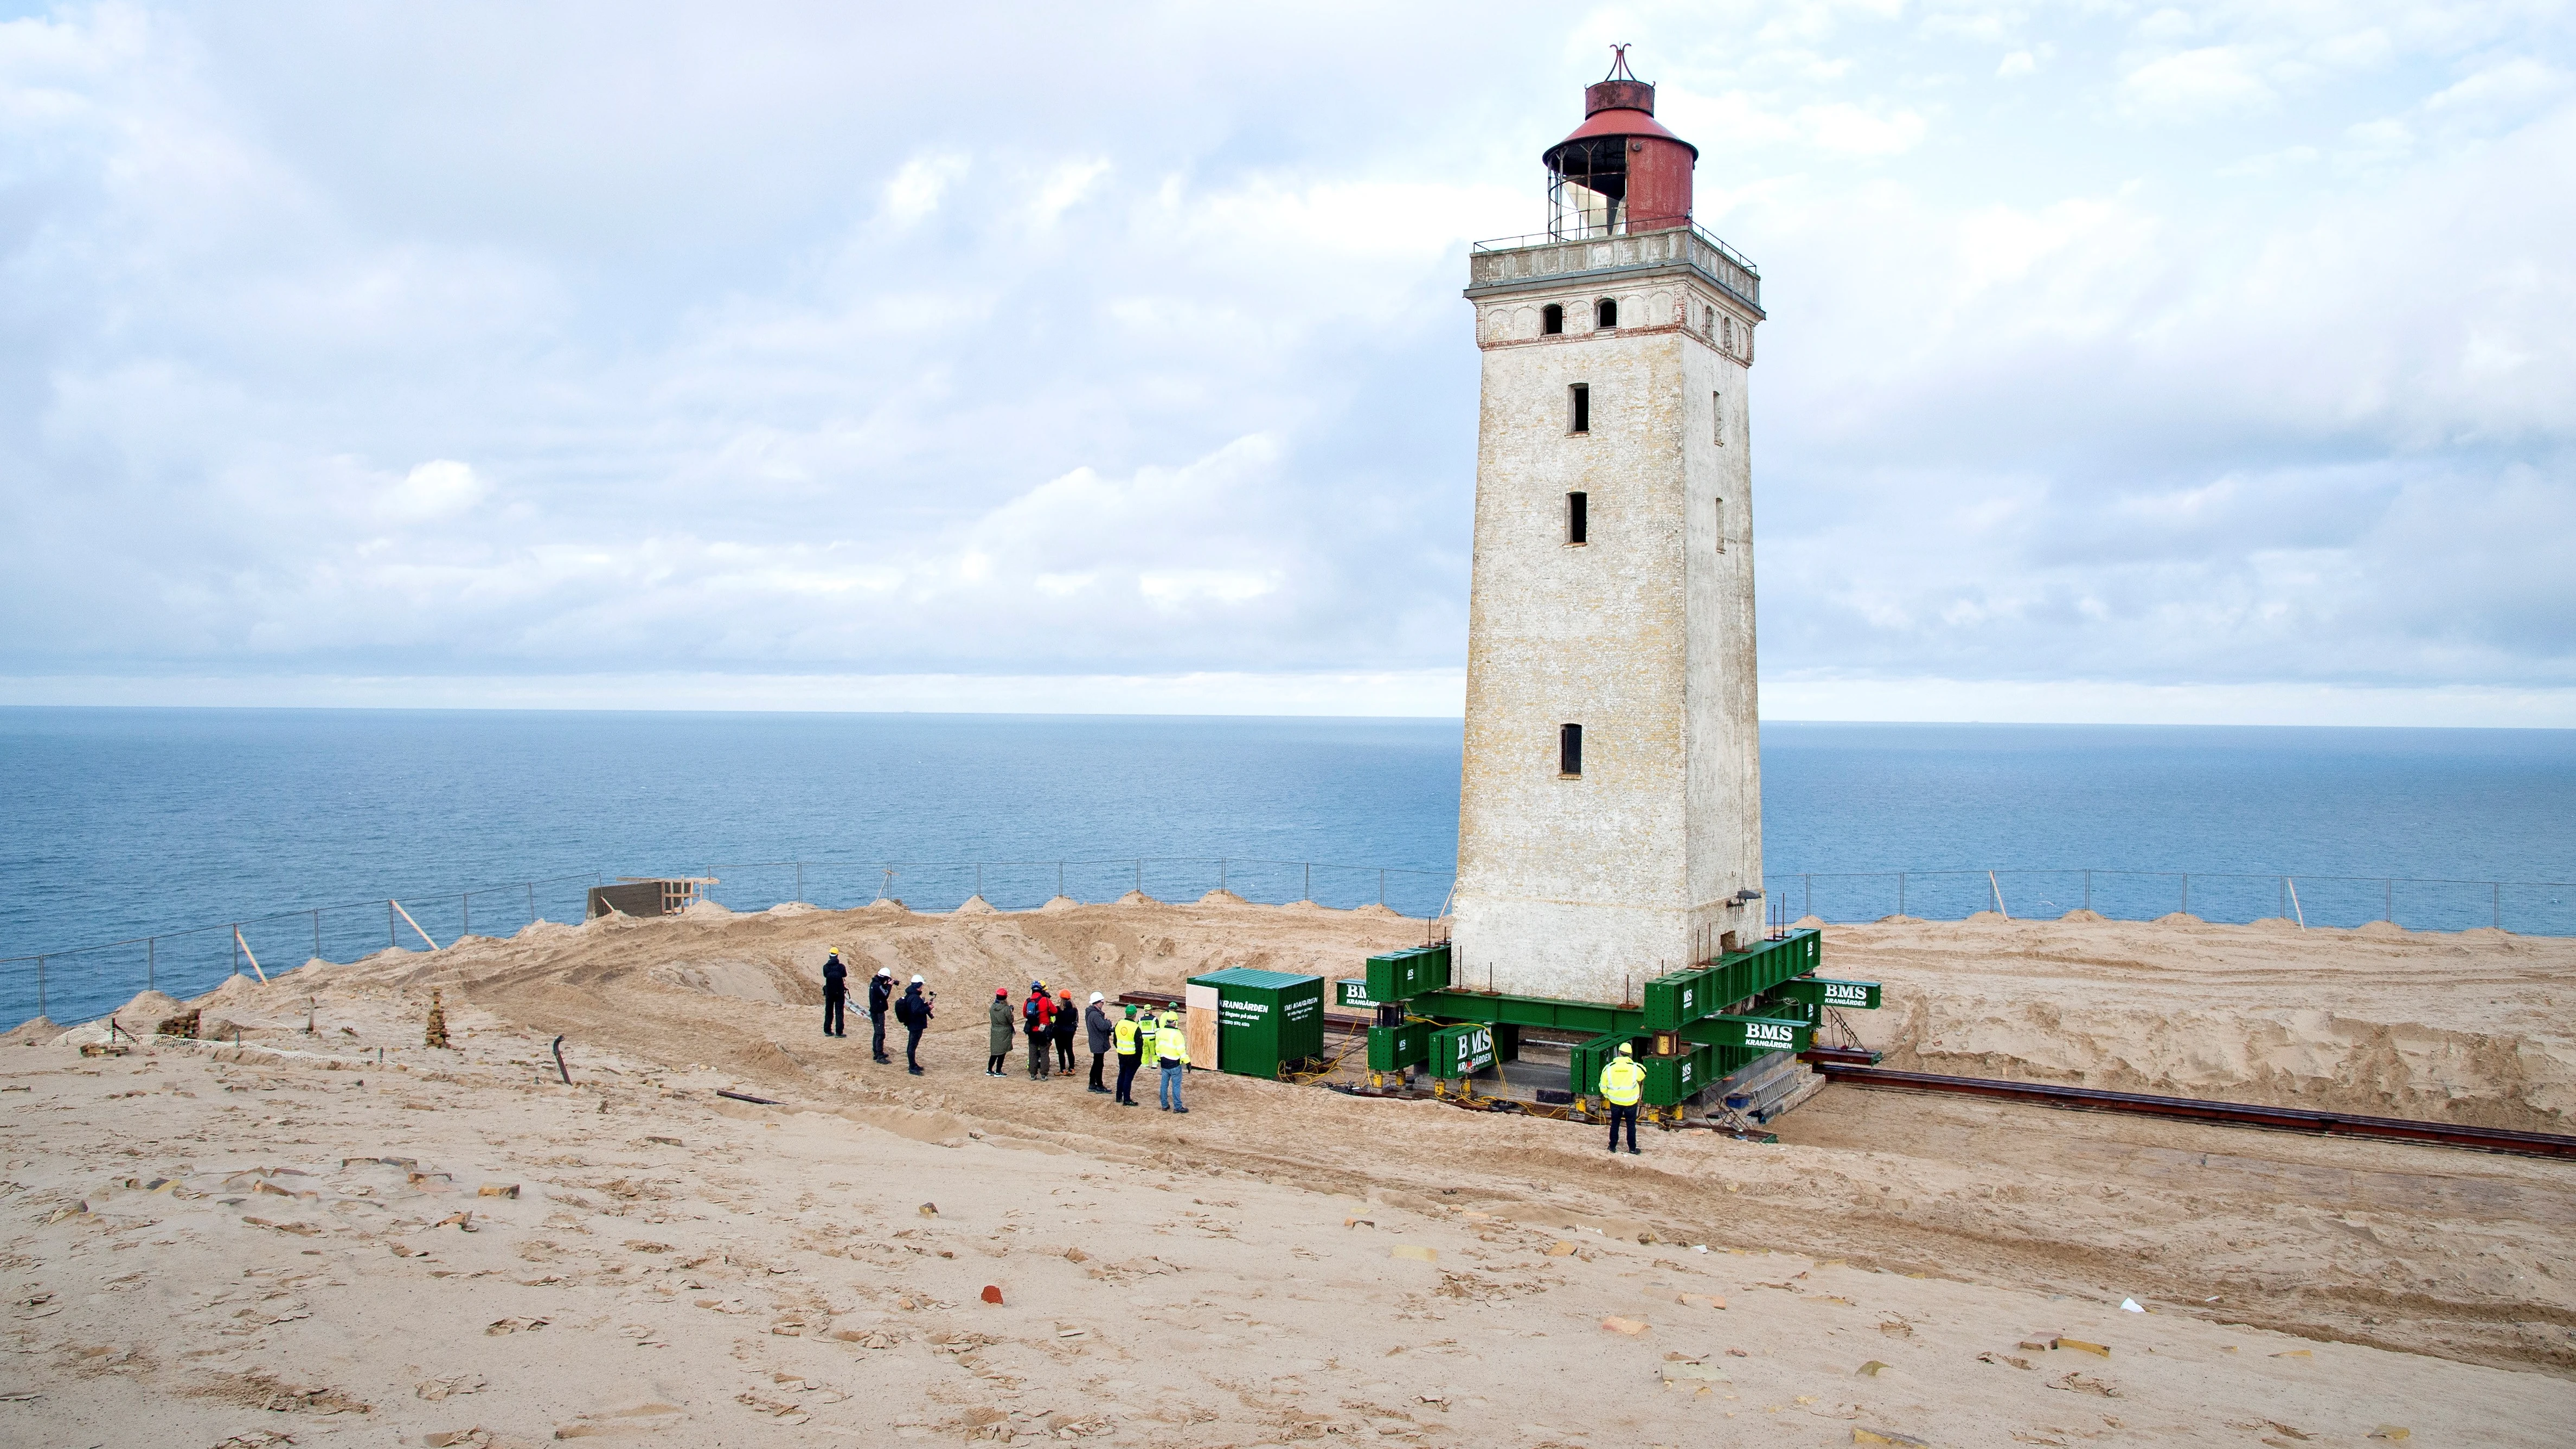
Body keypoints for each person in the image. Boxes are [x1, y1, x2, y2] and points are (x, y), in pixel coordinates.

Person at [1599, 1041, 1645, 1154]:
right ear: (1630, 1054)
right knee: (1631, 1125)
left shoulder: (1609, 1068)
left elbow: (1603, 1087)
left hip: (1615, 1101)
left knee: (1615, 1124)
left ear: (1619, 1053)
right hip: (1630, 1102)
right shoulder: (1635, 1068)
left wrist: (1608, 1096)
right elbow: (1643, 1073)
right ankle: (1633, 1149)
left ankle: (1612, 1147)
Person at [895, 974, 933, 1074]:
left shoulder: (910, 995)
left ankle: (913, 1064)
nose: (922, 988)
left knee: (912, 1046)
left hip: (913, 1024)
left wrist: (925, 1005)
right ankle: (912, 1067)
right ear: (919, 985)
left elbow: (915, 1009)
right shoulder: (915, 997)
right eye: (921, 986)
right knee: (912, 1046)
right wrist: (928, 1008)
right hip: (916, 1025)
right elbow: (916, 1011)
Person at [1155, 1010, 1190, 1112]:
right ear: (1175, 1022)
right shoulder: (1177, 1034)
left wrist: (1159, 1058)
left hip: (1164, 1063)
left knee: (1164, 1084)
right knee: (1176, 1086)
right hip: (1174, 1064)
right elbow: (1181, 1051)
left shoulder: (1160, 1032)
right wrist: (1187, 1062)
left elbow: (1158, 1048)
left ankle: (1164, 1105)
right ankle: (1178, 1107)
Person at [1112, 1004, 1143, 1106]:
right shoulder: (1135, 1027)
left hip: (1121, 1054)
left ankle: (1118, 1096)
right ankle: (1127, 1099)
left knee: (1122, 1075)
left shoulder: (1119, 1024)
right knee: (1128, 1078)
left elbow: (1115, 1041)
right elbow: (1139, 1046)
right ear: (1134, 1015)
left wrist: (1121, 1049)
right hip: (1132, 1056)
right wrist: (1139, 1059)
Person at [1023, 981, 1053, 1080]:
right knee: (1044, 1052)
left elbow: (1025, 1014)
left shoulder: (1028, 1001)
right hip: (1043, 1030)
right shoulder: (1046, 1000)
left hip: (1032, 1030)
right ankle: (1044, 1075)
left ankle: (1033, 1074)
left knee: (1033, 1052)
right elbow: (1054, 1011)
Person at [1084, 992, 1113, 1094]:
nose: (1103, 1004)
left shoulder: (1092, 1013)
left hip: (1096, 1041)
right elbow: (1102, 1026)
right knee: (1098, 1064)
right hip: (1098, 1042)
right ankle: (1099, 1085)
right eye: (1102, 1002)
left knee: (1097, 1063)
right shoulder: (1095, 1014)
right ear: (1097, 1003)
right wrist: (1108, 1023)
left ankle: (1093, 1084)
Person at [867, 967, 894, 1063]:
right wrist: (889, 986)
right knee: (880, 1034)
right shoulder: (877, 985)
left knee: (877, 1032)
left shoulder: (875, 984)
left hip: (876, 1011)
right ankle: (879, 1056)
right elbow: (885, 994)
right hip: (878, 1012)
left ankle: (877, 1052)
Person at [986, 988, 1015, 1077]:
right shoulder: (1006, 1009)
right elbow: (1011, 1020)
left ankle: (989, 1070)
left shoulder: (993, 1007)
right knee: (1002, 1053)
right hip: (1004, 1032)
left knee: (994, 1052)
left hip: (995, 1031)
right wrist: (1010, 1011)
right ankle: (998, 1071)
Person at [821, 948, 849, 1038]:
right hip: (839, 992)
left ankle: (828, 1030)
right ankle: (839, 1032)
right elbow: (845, 975)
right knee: (839, 1012)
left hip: (829, 992)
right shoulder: (841, 967)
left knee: (829, 1011)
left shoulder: (826, 967)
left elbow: (825, 975)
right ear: (837, 956)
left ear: (830, 955)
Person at [1053, 989, 1079, 1074]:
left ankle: (1063, 1070)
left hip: (1059, 1032)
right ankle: (1072, 1069)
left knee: (1061, 1052)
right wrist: (1074, 1030)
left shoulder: (1058, 1009)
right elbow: (1076, 1021)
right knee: (1070, 1050)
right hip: (1070, 1032)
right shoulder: (1074, 1009)